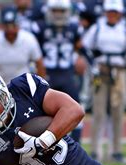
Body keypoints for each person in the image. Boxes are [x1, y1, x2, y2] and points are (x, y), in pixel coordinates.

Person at [82, 0, 126, 163]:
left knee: (117, 112)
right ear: (105, 12)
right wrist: (92, 63)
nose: (112, 15)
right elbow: (85, 47)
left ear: (120, 14)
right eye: (110, 12)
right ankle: (95, 151)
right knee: (98, 111)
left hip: (119, 72)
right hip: (100, 71)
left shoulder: (125, 30)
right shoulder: (97, 28)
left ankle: (116, 151)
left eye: (115, 12)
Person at [32, 0, 85, 143]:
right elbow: (34, 52)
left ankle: (76, 145)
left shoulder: (74, 28)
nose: (58, 15)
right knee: (42, 112)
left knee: (76, 109)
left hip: (67, 74)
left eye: (61, 11)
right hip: (47, 75)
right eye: (55, 11)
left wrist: (80, 58)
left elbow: (81, 49)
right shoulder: (40, 27)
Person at [0, 7, 45, 84]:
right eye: (7, 26)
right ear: (2, 26)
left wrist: (41, 88)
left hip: (24, 87)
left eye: (13, 26)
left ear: (18, 25)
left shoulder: (28, 39)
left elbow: (39, 63)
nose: (10, 30)